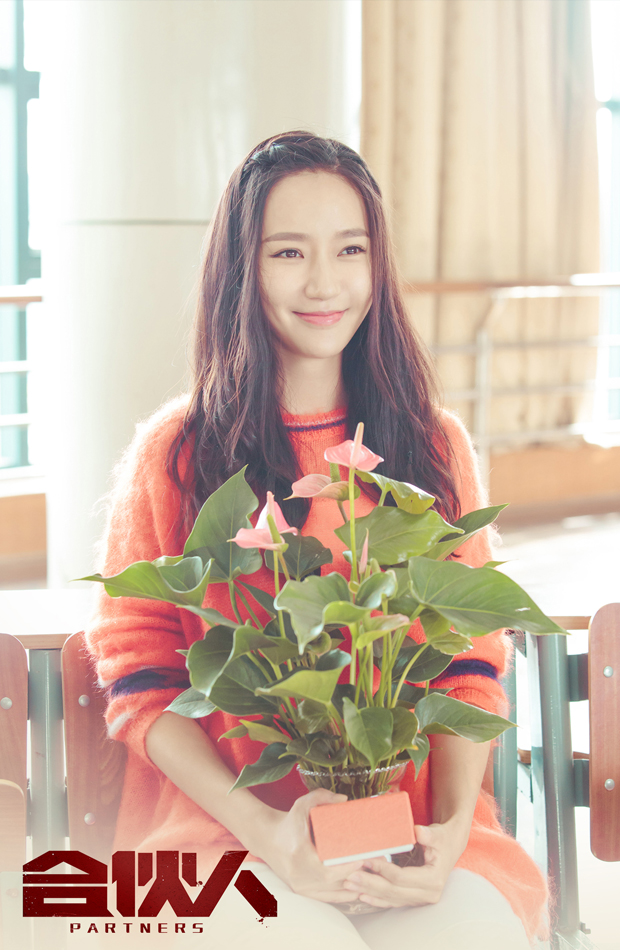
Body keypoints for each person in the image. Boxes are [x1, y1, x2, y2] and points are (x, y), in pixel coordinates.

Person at [86, 131, 547, 949]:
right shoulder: (178, 454)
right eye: (289, 252)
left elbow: (469, 669)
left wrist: (445, 840)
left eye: (350, 249)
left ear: (378, 264)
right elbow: (143, 681)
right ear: (243, 269)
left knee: (473, 933)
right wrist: (270, 835)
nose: (325, 282)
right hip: (226, 840)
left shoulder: (431, 445)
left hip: (412, 841)